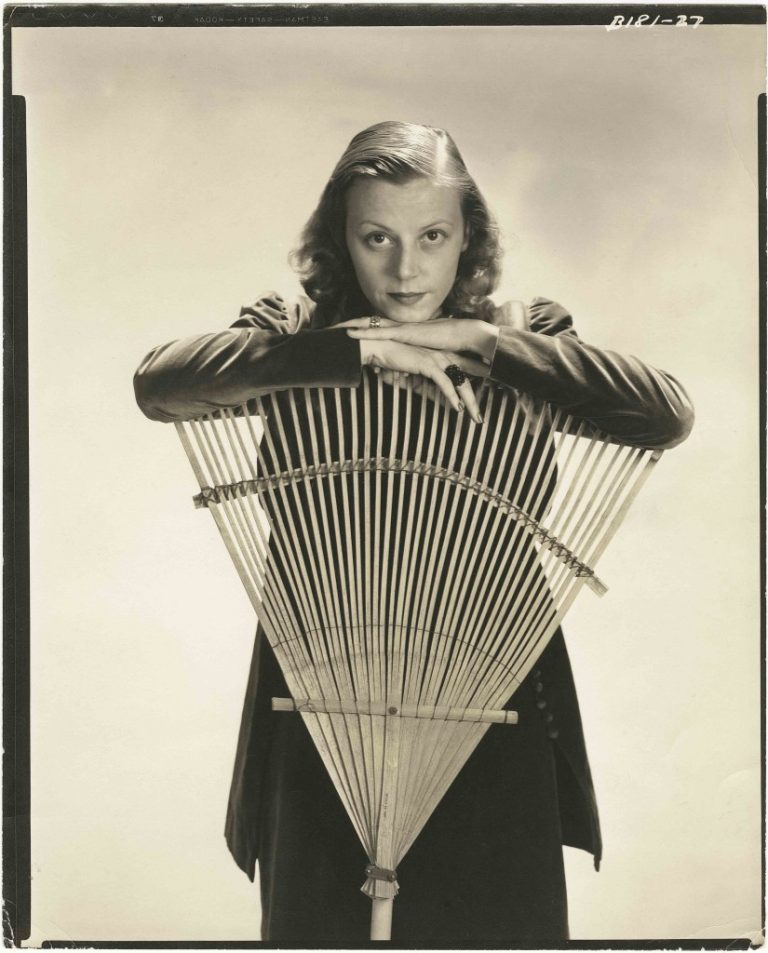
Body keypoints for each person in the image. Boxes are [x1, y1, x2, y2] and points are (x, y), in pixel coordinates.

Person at [134, 121, 694, 946]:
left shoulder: (523, 332)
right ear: (342, 239)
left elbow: (664, 414)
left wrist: (483, 343)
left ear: (469, 236)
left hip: (491, 703)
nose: (406, 270)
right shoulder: (292, 332)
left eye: (433, 236)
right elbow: (160, 384)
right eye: (377, 238)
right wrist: (356, 352)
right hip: (321, 706)